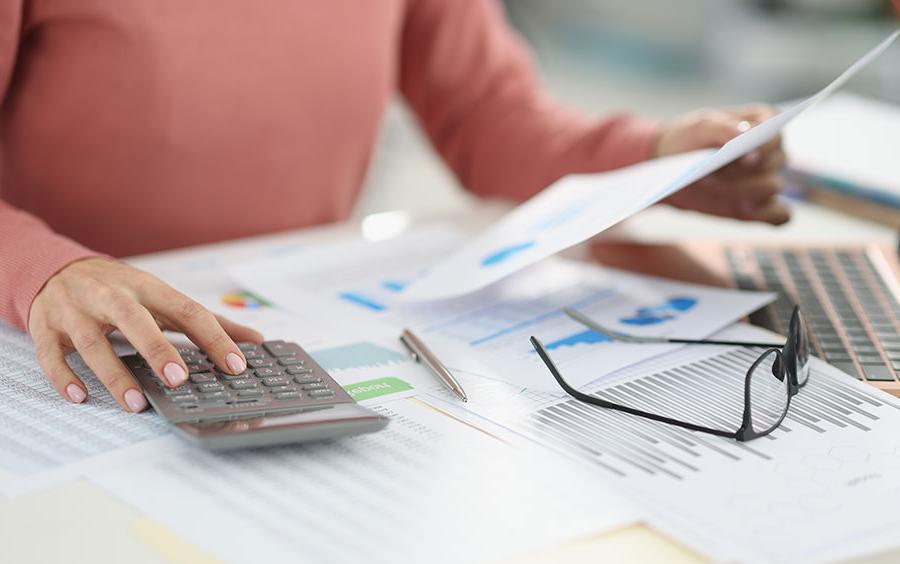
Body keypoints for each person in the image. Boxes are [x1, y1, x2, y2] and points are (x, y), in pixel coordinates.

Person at [0, 1, 787, 413]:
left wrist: (657, 156)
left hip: (282, 337)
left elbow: (488, 116)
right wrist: (46, 270)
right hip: (61, 347)